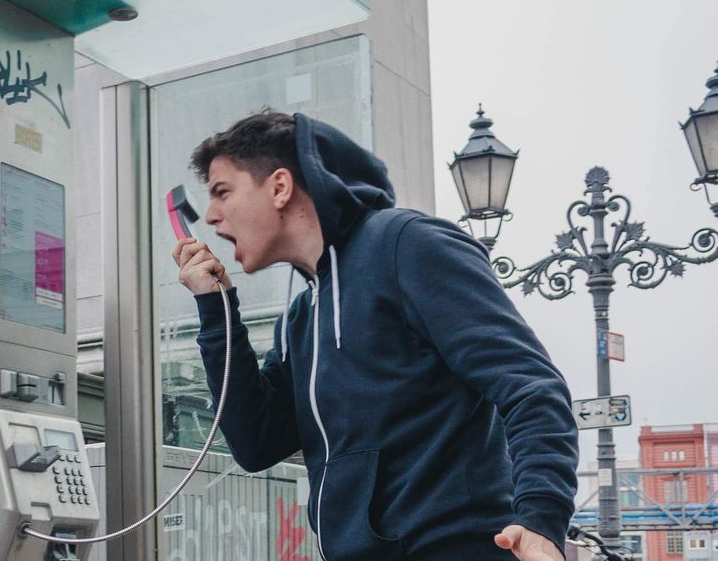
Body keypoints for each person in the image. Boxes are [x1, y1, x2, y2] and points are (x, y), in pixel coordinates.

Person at [172, 110, 579, 561]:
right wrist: (218, 311)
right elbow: (256, 443)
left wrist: (541, 518)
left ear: (280, 187)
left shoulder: (408, 245)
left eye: (222, 192)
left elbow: (531, 386)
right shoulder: (301, 317)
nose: (210, 217)